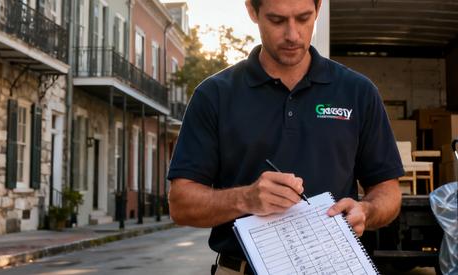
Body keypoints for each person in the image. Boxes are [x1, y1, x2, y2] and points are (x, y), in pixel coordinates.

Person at [167, 0, 403, 274]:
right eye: (277, 21)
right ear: (252, 11)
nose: (293, 34)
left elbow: (388, 191)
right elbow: (180, 203)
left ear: (318, 9)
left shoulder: (358, 92)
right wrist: (245, 199)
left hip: (334, 268)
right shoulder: (214, 95)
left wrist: (366, 211)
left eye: (303, 18)